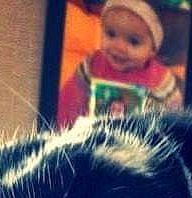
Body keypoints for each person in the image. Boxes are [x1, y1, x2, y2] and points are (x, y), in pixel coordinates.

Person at [57, 0, 183, 128]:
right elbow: (69, 101)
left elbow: (175, 119)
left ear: (153, 49)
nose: (119, 47)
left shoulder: (161, 82)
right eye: (111, 34)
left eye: (134, 42)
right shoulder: (92, 65)